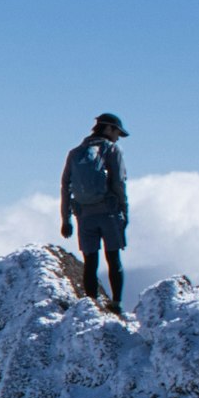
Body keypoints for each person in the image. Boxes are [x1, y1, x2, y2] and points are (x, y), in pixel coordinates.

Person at [59, 113, 131, 312]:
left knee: (90, 260)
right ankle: (116, 304)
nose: (118, 137)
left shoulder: (75, 153)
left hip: (84, 215)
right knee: (113, 258)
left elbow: (65, 185)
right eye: (117, 132)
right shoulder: (112, 150)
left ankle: (91, 304)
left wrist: (66, 219)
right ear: (108, 129)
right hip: (109, 212)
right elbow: (119, 183)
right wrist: (124, 211)